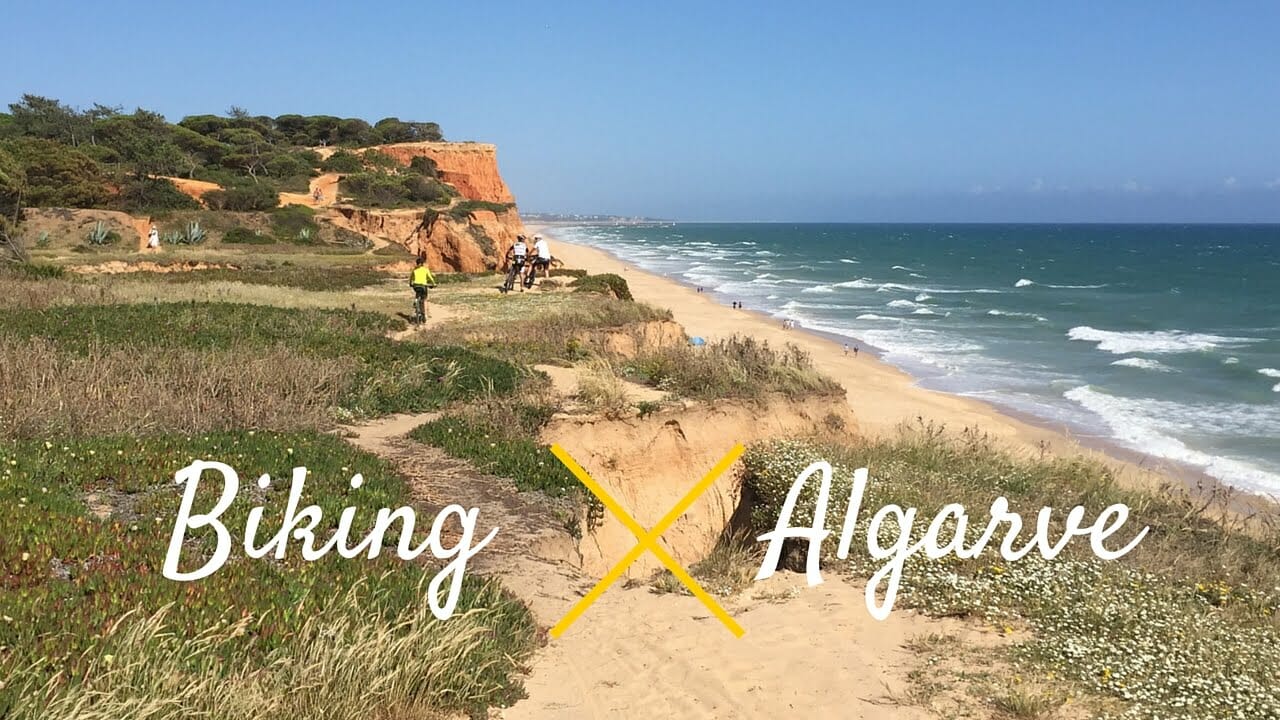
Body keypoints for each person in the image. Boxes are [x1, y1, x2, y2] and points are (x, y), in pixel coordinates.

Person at [409, 254, 436, 323]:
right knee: (423, 299)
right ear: (422, 264)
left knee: (417, 293)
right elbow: (430, 277)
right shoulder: (425, 270)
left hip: (415, 286)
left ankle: (415, 301)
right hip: (423, 286)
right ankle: (423, 315)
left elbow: (411, 278)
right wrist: (433, 284)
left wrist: (410, 284)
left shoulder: (414, 270)